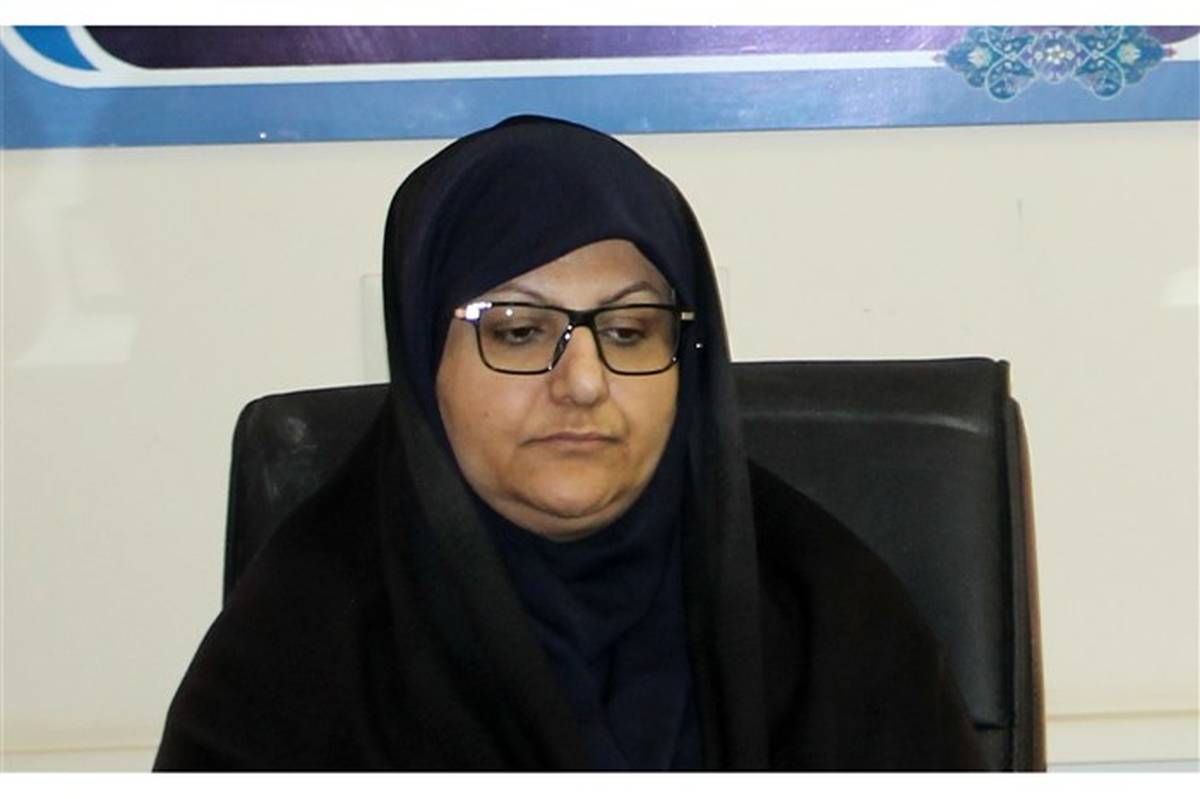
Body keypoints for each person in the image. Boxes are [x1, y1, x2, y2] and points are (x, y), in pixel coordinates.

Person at [154, 115, 985, 771]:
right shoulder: (295, 655)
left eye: (629, 330)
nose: (583, 381)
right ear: (421, 360)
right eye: (518, 331)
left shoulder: (834, 619)